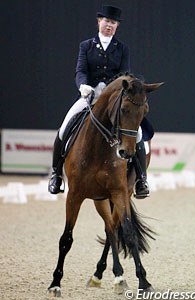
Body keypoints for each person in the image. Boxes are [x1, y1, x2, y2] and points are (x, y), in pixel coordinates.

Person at [48, 5, 150, 198]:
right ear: (99, 22)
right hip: (89, 95)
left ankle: (141, 180)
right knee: (63, 128)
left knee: (137, 134)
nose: (109, 25)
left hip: (113, 99)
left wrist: (113, 90)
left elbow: (125, 75)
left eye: (113, 22)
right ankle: (56, 174)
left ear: (117, 26)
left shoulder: (122, 49)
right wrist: (82, 86)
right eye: (106, 21)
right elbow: (81, 71)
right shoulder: (86, 46)